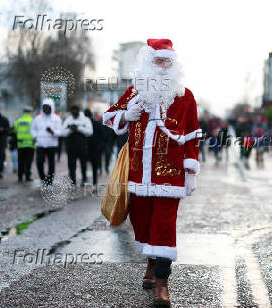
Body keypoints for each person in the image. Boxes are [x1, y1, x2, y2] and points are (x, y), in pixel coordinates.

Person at [103, 39, 201, 307]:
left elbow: (193, 135)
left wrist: (190, 169)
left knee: (164, 226)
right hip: (137, 174)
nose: (162, 66)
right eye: (158, 61)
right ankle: (150, 263)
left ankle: (162, 285)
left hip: (170, 175)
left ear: (174, 64)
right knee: (142, 224)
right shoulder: (135, 91)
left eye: (167, 61)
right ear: (149, 62)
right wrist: (127, 115)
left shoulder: (185, 96)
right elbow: (108, 117)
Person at [30, 98, 62, 186]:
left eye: (48, 108)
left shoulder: (56, 119)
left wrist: (52, 132)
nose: (46, 109)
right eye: (44, 107)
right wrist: (35, 136)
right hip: (40, 144)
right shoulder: (37, 118)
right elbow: (32, 129)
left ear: (52, 108)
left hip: (51, 144)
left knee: (51, 164)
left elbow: (60, 132)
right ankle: (43, 179)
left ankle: (49, 182)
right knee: (39, 161)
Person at [62, 105, 93, 187]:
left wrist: (78, 128)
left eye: (76, 111)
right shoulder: (68, 120)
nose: (74, 112)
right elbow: (62, 133)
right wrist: (70, 129)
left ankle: (84, 179)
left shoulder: (85, 119)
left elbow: (90, 132)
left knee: (83, 164)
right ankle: (73, 182)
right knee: (71, 166)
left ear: (79, 111)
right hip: (70, 147)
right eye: (72, 111)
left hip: (82, 147)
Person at [14, 106, 35, 182]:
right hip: (30, 144)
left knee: (21, 161)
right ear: (30, 112)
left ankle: (20, 177)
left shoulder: (18, 121)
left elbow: (15, 129)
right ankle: (27, 177)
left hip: (21, 144)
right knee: (28, 161)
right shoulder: (32, 121)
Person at [84, 109, 103, 186]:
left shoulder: (84, 124)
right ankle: (94, 180)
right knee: (94, 164)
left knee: (84, 164)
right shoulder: (96, 123)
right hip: (94, 147)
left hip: (87, 147)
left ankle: (85, 179)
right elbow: (101, 135)